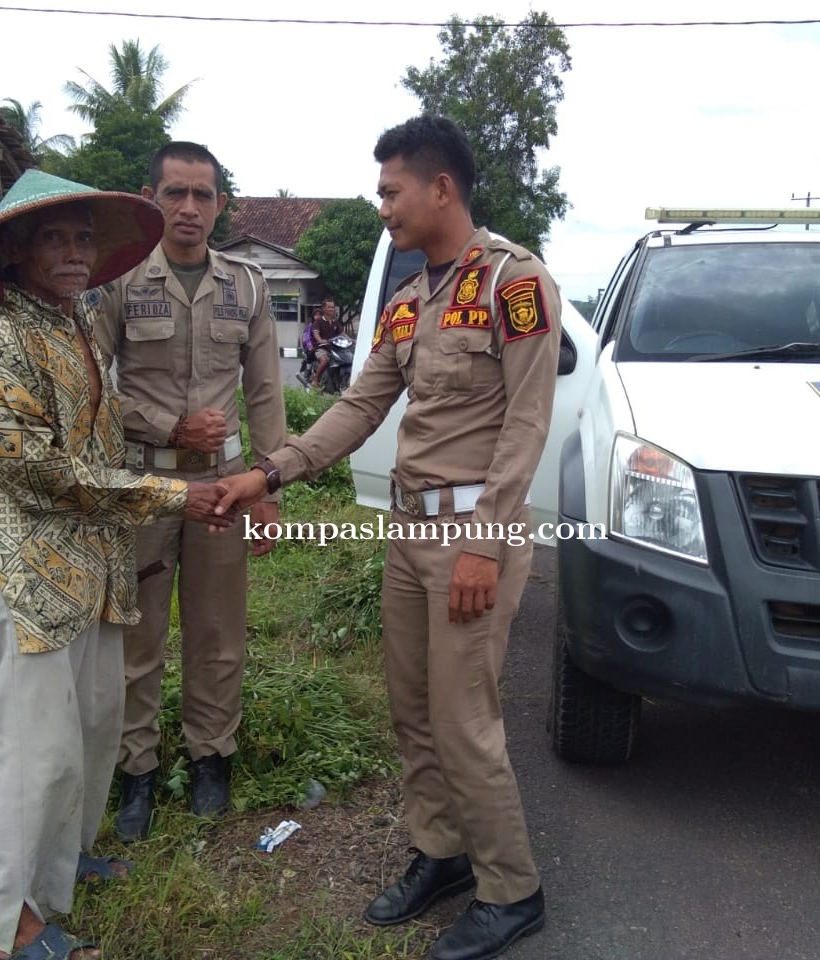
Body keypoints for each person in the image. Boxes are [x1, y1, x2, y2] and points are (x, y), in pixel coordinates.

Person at [216, 115, 561, 960]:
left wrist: (484, 540)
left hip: (470, 540)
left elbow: (526, 422)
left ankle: (511, 889)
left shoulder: (515, 284)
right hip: (408, 537)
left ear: (441, 187)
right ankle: (441, 854)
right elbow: (360, 406)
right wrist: (272, 473)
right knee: (413, 712)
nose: (382, 208)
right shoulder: (411, 303)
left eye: (390, 191)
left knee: (464, 718)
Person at [0, 169, 235, 960]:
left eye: (83, 237)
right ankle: (15, 928)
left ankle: (61, 869)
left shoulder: (76, 330)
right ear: (15, 250)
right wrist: (173, 494)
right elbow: (39, 471)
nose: (74, 252)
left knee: (94, 729)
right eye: (55, 237)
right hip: (31, 578)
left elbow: (103, 438)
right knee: (36, 751)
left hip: (94, 566)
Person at [94, 141, 286, 838]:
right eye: (175, 193)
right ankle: (136, 769)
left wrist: (269, 487)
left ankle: (212, 757)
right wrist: (169, 425)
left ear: (220, 205)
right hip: (143, 483)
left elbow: (266, 393)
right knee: (134, 635)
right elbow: (90, 390)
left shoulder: (247, 284)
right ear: (152, 199)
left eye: (203, 195)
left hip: (225, 487)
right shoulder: (117, 281)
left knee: (216, 632)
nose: (189, 208)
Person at [309, 294, 343, 391]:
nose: (331, 309)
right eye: (329, 307)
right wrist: (320, 340)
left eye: (332, 307)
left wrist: (352, 341)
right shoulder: (318, 322)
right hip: (321, 348)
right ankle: (315, 380)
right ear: (324, 308)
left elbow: (343, 334)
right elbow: (316, 333)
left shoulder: (335, 322)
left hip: (333, 349)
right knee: (325, 360)